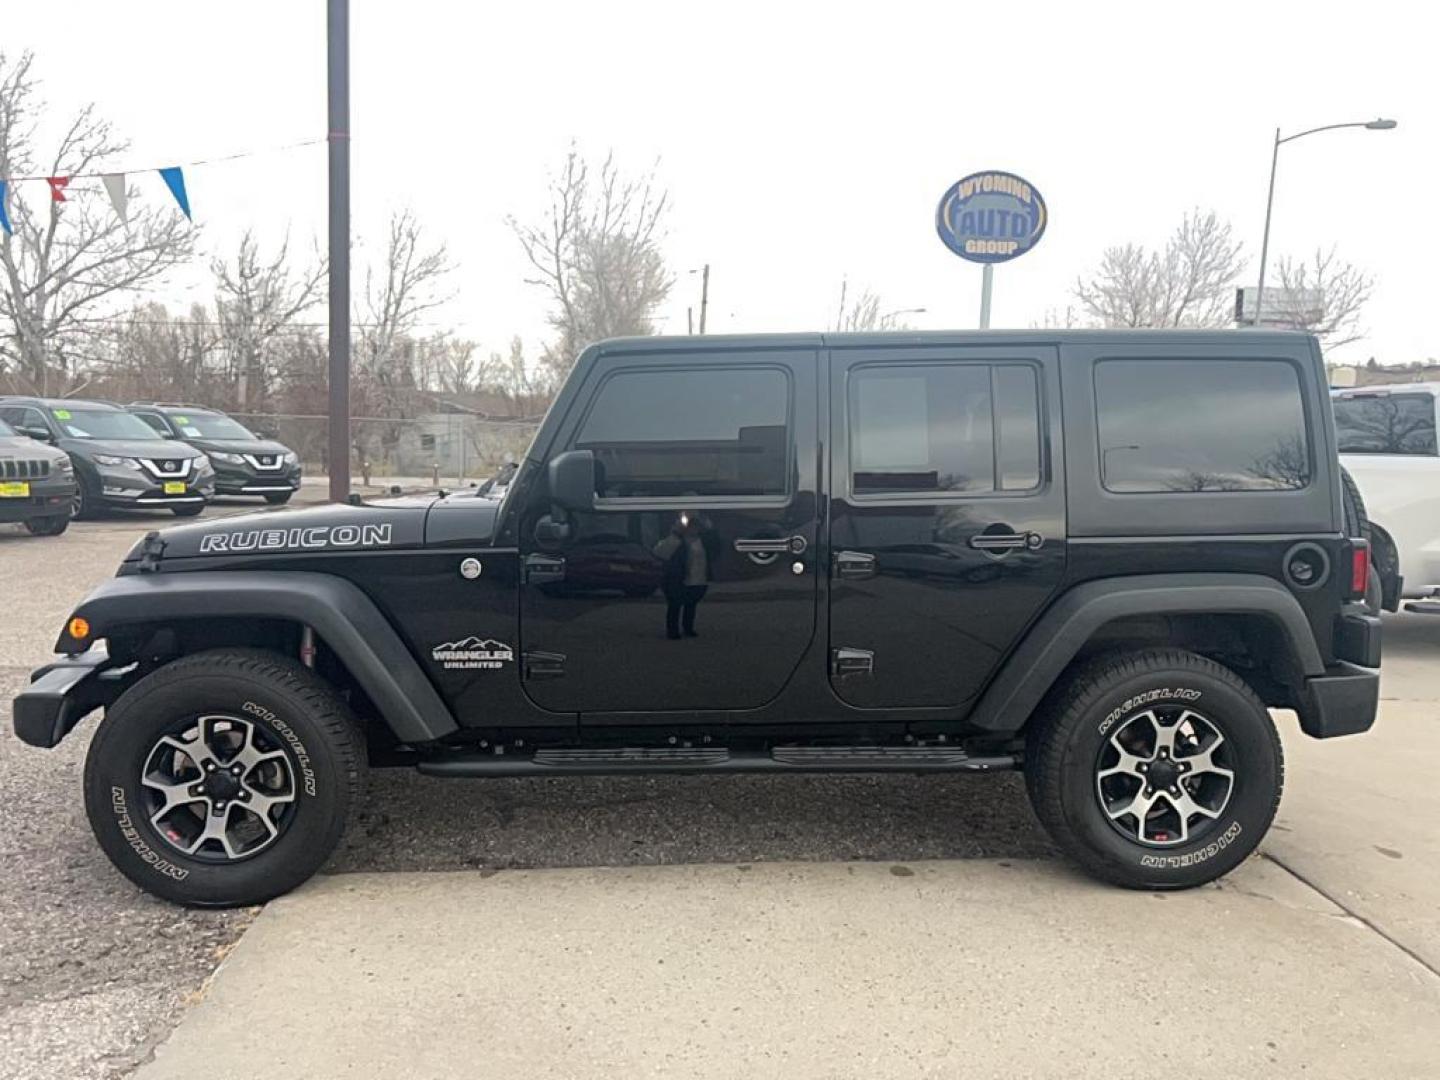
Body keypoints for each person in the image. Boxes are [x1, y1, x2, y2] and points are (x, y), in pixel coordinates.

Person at [652, 512, 719, 639]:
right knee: (675, 605)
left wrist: (711, 527)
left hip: (698, 579)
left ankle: (688, 628)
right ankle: (673, 631)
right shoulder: (676, 540)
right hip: (677, 579)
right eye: (691, 526)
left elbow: (716, 548)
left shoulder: (703, 541)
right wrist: (676, 534)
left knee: (691, 605)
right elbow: (660, 553)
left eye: (696, 526)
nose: (694, 529)